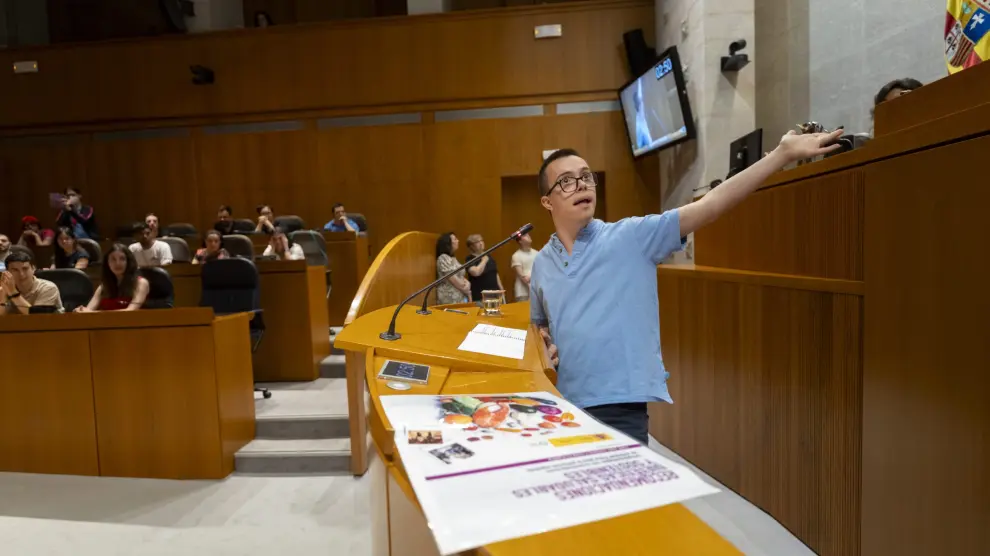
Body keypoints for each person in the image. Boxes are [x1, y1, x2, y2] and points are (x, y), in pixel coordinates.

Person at [529, 129, 843, 445]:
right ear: (547, 201)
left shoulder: (632, 237)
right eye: (567, 181)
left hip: (619, 405)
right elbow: (539, 329)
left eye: (586, 176)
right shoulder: (541, 263)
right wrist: (544, 346)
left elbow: (710, 205)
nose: (582, 184)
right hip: (562, 406)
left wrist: (781, 155)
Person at [77, 244, 149, 312]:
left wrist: (94, 313)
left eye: (122, 259)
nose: (118, 263)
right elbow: (89, 310)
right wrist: (82, 310)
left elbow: (130, 311)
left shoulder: (140, 283)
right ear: (107, 263)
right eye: (113, 259)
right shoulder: (104, 286)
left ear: (128, 262)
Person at [0, 249, 64, 315]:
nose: (21, 274)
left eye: (25, 269)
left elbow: (37, 318)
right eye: (15, 270)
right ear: (7, 273)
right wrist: (4, 296)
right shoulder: (3, 290)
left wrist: (13, 293)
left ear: (33, 269)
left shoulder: (48, 288)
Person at [464, 234, 504, 302]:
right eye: (477, 242)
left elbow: (495, 273)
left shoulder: (489, 256)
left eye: (481, 240)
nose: (481, 243)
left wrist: (501, 289)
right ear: (471, 246)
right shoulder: (470, 259)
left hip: (495, 294)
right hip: (480, 297)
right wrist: (484, 261)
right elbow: (476, 273)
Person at [435, 232, 471, 305]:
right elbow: (452, 278)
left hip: (461, 297)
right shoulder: (443, 258)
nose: (458, 241)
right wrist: (465, 288)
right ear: (447, 243)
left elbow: (460, 276)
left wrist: (468, 283)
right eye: (455, 239)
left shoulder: (453, 258)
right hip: (450, 299)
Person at [510, 232, 537, 302]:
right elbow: (523, 277)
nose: (528, 235)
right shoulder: (516, 256)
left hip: (536, 290)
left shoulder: (537, 253)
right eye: (525, 235)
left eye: (528, 234)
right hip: (523, 292)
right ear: (520, 241)